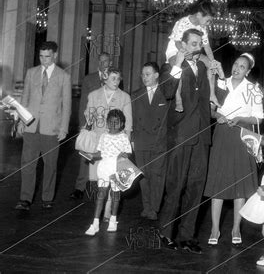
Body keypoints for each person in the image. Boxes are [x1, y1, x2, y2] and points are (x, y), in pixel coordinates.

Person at [158, 29, 212, 254]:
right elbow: (168, 91)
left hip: (201, 135)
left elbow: (210, 98)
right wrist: (177, 65)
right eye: (192, 43)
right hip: (181, 134)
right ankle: (165, 232)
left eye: (199, 43)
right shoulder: (170, 68)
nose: (196, 47)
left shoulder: (203, 67)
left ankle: (187, 236)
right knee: (176, 184)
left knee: (196, 187)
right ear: (182, 45)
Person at [204, 53, 264, 247]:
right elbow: (211, 108)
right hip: (222, 135)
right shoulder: (222, 82)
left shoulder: (253, 89)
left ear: (248, 71)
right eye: (236, 64)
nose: (237, 68)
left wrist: (239, 119)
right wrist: (217, 116)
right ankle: (215, 228)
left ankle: (236, 228)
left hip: (241, 137)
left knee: (240, 185)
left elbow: (258, 118)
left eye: (242, 66)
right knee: (218, 183)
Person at [14, 41, 71, 211]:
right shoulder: (31, 73)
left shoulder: (64, 77)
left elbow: (67, 105)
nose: (43, 60)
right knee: (27, 164)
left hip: (51, 129)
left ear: (54, 56)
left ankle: (47, 198)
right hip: (31, 126)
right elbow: (25, 99)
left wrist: (63, 128)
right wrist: (21, 122)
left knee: (51, 165)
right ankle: (25, 199)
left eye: (47, 56)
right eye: (41, 56)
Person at [132, 55, 184, 221]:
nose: (144, 77)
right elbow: (131, 118)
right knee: (143, 176)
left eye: (147, 74)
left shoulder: (165, 93)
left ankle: (154, 208)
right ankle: (146, 206)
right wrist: (132, 140)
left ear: (156, 75)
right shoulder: (135, 95)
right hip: (141, 142)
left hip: (159, 142)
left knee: (157, 176)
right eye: (142, 75)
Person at [84, 68, 132, 221]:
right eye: (113, 78)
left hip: (116, 144)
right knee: (98, 179)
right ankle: (100, 205)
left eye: (118, 79)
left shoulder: (125, 97)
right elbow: (88, 117)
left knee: (114, 180)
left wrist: (127, 143)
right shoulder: (93, 95)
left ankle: (108, 210)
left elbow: (128, 123)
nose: (116, 82)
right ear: (104, 79)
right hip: (98, 142)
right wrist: (89, 118)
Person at [70, 52, 112, 200]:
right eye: (100, 61)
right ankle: (79, 187)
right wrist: (83, 124)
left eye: (105, 61)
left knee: (104, 155)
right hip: (91, 123)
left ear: (110, 62)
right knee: (85, 154)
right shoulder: (89, 79)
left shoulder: (114, 78)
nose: (102, 64)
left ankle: (100, 187)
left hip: (107, 124)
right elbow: (83, 102)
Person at [83, 109, 132, 235]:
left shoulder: (124, 137)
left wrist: (123, 155)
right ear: (107, 123)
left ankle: (113, 219)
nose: (113, 124)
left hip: (117, 168)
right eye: (110, 122)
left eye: (116, 122)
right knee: (101, 194)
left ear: (121, 124)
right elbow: (100, 153)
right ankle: (95, 223)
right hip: (104, 168)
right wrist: (91, 155)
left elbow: (128, 154)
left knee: (115, 195)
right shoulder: (104, 136)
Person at [165, 0, 218, 111]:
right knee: (179, 68)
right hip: (176, 50)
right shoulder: (182, 22)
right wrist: (184, 53)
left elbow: (207, 47)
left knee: (211, 65)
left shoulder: (203, 28)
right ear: (199, 15)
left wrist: (213, 61)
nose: (208, 24)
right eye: (208, 21)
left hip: (194, 52)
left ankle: (212, 94)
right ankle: (178, 100)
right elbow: (177, 42)